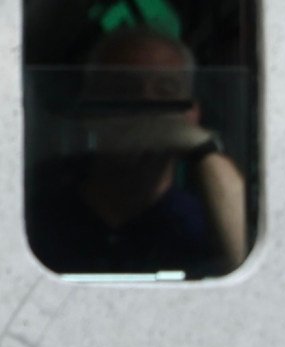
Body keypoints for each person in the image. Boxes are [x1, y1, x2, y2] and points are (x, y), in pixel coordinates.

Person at [26, 23, 249, 277]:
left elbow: (257, 270)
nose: (147, 103)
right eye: (124, 90)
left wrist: (204, 150)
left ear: (193, 114)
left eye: (166, 90)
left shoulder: (206, 218)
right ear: (90, 109)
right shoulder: (39, 213)